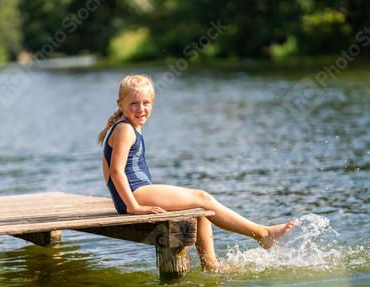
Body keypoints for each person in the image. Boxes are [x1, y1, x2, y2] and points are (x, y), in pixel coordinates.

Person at [99, 74, 296, 271]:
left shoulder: (129, 127)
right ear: (120, 104)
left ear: (153, 103)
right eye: (134, 103)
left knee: (200, 211)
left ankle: (210, 266)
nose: (140, 109)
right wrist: (134, 206)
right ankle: (262, 233)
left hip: (132, 195)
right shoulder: (124, 129)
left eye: (146, 103)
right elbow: (116, 172)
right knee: (202, 196)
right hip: (134, 195)